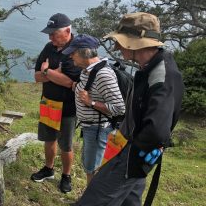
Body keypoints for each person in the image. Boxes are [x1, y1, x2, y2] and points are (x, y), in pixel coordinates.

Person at [72, 12, 184, 205]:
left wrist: (128, 156)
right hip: (135, 152)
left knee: (94, 199)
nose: (116, 47)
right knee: (129, 201)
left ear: (136, 43)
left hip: (134, 154)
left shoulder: (162, 76)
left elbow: (157, 131)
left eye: (121, 42)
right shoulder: (150, 67)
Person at [62, 34, 125, 186]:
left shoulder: (103, 74)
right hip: (90, 128)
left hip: (98, 129)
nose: (70, 56)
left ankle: (91, 200)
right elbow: (90, 88)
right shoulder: (89, 70)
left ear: (85, 52)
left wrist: (91, 102)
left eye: (73, 52)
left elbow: (119, 108)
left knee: (94, 169)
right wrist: (77, 87)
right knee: (89, 166)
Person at [31, 13, 81, 193]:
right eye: (49, 34)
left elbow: (70, 82)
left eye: (54, 34)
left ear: (67, 31)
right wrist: (52, 74)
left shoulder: (78, 50)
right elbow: (36, 76)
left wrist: (48, 72)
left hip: (68, 107)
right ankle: (48, 168)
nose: (50, 38)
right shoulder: (49, 48)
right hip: (48, 102)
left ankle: (66, 176)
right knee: (49, 139)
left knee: (65, 144)